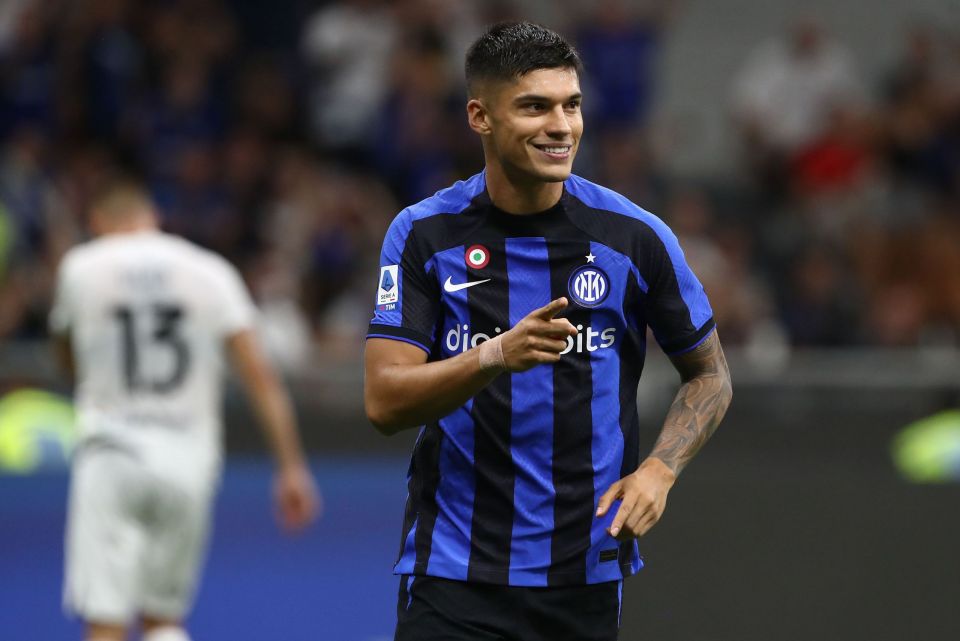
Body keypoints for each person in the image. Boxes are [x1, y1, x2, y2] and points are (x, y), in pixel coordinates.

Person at [364, 21, 733, 641]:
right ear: (480, 117)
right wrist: (492, 358)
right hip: (455, 576)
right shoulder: (424, 235)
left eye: (572, 105)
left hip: (583, 578)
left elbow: (711, 372)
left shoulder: (634, 237)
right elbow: (384, 402)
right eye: (535, 106)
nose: (561, 126)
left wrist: (659, 471)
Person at [50, 180, 320, 641]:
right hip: (187, 458)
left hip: (110, 453)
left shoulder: (81, 266)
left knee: (105, 620)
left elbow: (66, 350)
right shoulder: (210, 272)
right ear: (152, 217)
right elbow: (261, 378)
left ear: (98, 222)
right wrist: (291, 467)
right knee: (163, 621)